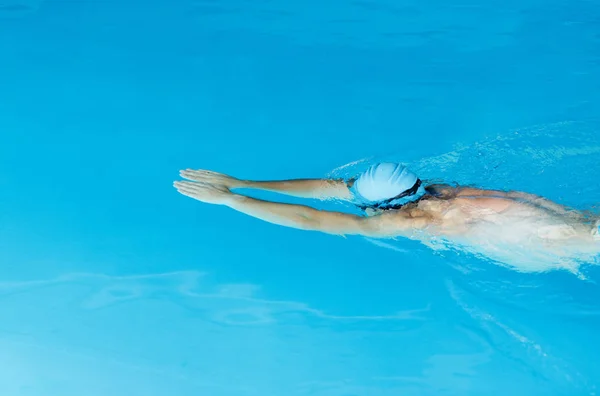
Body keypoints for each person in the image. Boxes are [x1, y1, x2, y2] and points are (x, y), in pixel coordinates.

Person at [173, 163, 599, 259]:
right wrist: (241, 181)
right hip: (548, 214)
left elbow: (312, 217)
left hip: (550, 240)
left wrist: (232, 200)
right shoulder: (437, 189)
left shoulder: (412, 219)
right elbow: (327, 188)